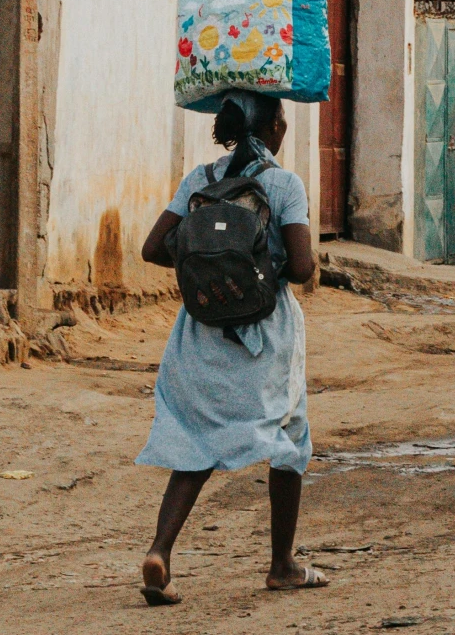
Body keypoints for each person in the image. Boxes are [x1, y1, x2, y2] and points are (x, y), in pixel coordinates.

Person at [133, 90, 322, 605]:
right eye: (283, 118)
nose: (285, 126)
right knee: (288, 437)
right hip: (265, 337)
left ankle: (160, 553)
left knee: (195, 440)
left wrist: (209, 268)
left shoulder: (200, 180)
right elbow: (303, 269)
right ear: (272, 129)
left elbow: (153, 249)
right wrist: (259, 268)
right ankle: (282, 564)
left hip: (200, 332)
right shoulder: (284, 184)